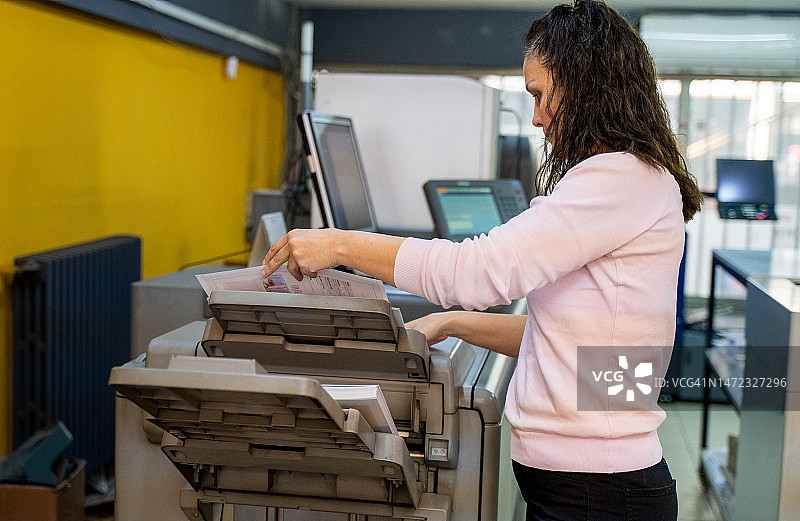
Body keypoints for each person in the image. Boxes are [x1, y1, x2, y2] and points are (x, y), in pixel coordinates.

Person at [262, 1, 703, 519]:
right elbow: (568, 342)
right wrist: (452, 322)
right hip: (593, 482)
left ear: (585, 86)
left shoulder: (619, 180)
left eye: (540, 96)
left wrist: (339, 245)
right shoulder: (636, 179)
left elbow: (475, 273)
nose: (537, 117)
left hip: (598, 491)